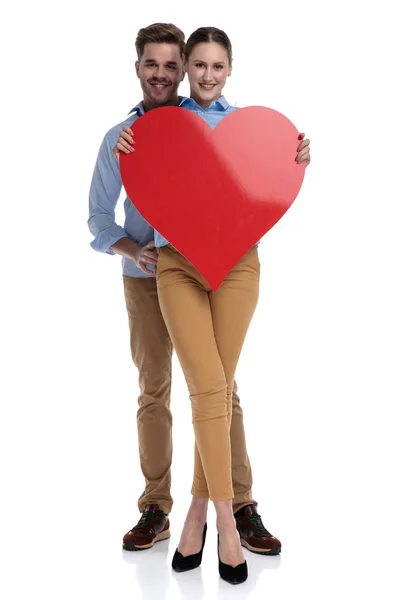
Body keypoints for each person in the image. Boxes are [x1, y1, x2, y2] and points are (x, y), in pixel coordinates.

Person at [112, 26, 310, 584]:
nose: (195, 74)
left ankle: (212, 510)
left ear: (225, 69)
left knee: (219, 385)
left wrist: (292, 155)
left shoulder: (237, 123)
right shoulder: (137, 132)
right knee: (182, 385)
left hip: (231, 263)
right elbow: (103, 212)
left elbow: (259, 183)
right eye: (189, 64)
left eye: (208, 66)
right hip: (158, 265)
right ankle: (192, 512)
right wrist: (132, 146)